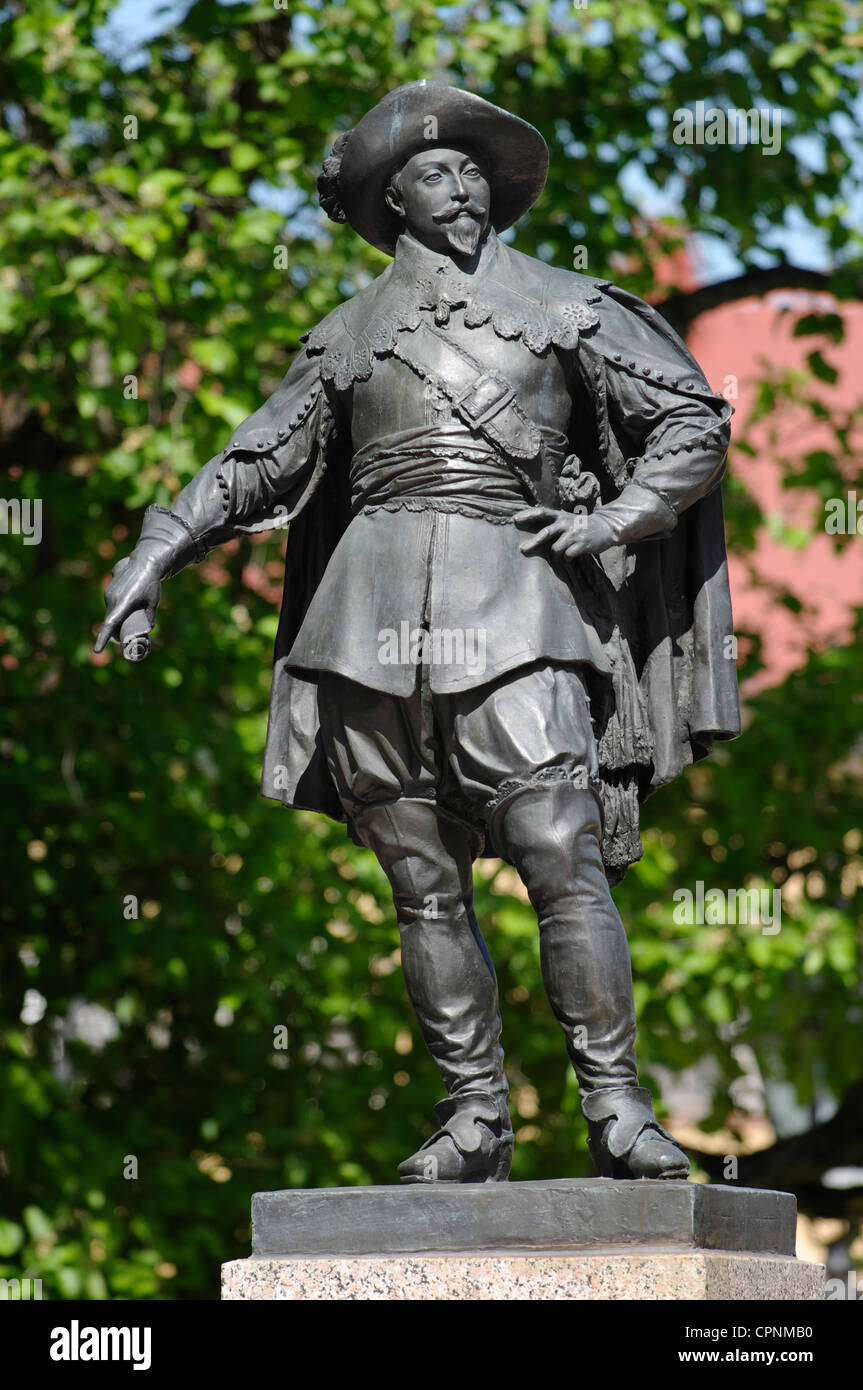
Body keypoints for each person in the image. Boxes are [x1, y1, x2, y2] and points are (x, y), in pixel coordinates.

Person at [96, 81, 740, 1184]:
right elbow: (257, 462)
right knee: (420, 884)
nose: (463, 185)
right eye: (436, 171)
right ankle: (471, 1115)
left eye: (474, 168)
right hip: (367, 618)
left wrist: (613, 519)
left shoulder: (567, 305)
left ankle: (616, 1105)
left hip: (520, 601)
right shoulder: (344, 336)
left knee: (557, 848)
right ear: (390, 199)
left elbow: (691, 416)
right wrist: (153, 554)